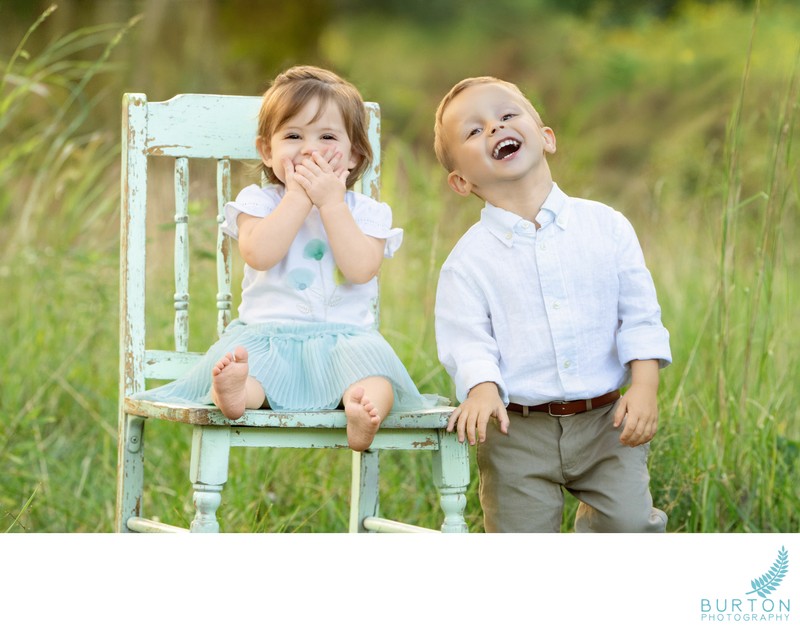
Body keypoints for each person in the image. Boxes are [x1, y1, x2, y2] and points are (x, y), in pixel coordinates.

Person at [134, 65, 434, 452]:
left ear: (354, 156)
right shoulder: (259, 203)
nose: (308, 149)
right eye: (293, 136)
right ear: (267, 150)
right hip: (267, 338)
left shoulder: (366, 211)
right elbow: (259, 254)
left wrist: (330, 203)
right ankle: (237, 394)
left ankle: (362, 411)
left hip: (346, 345)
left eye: (326, 136)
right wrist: (296, 198)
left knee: (377, 382)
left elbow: (362, 270)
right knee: (254, 377)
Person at [432, 76, 672, 532]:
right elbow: (467, 340)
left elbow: (639, 316)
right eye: (474, 130)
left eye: (506, 116)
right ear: (461, 181)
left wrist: (644, 386)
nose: (494, 128)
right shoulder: (468, 261)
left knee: (627, 525)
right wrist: (481, 387)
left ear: (546, 138)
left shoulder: (607, 226)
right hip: (516, 431)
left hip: (606, 422)